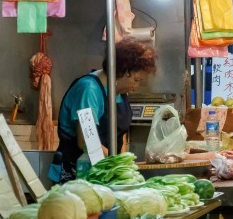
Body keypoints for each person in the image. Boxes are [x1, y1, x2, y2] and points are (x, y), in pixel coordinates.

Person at [55, 37, 157, 181]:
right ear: (123, 71)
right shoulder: (88, 89)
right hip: (77, 173)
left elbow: (119, 133)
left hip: (104, 170)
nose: (136, 87)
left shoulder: (120, 92)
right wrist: (116, 166)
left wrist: (122, 165)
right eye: (136, 80)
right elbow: (86, 141)